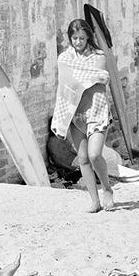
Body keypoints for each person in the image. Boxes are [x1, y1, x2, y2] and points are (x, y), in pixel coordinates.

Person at [50, 17, 117, 213]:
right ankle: (94, 201)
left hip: (96, 109)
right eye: (74, 38)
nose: (78, 42)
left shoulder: (99, 56)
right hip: (75, 112)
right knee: (83, 159)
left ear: (88, 37)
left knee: (95, 154)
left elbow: (102, 78)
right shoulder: (64, 59)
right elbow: (66, 85)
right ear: (70, 38)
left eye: (81, 38)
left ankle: (107, 189)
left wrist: (83, 79)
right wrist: (87, 79)